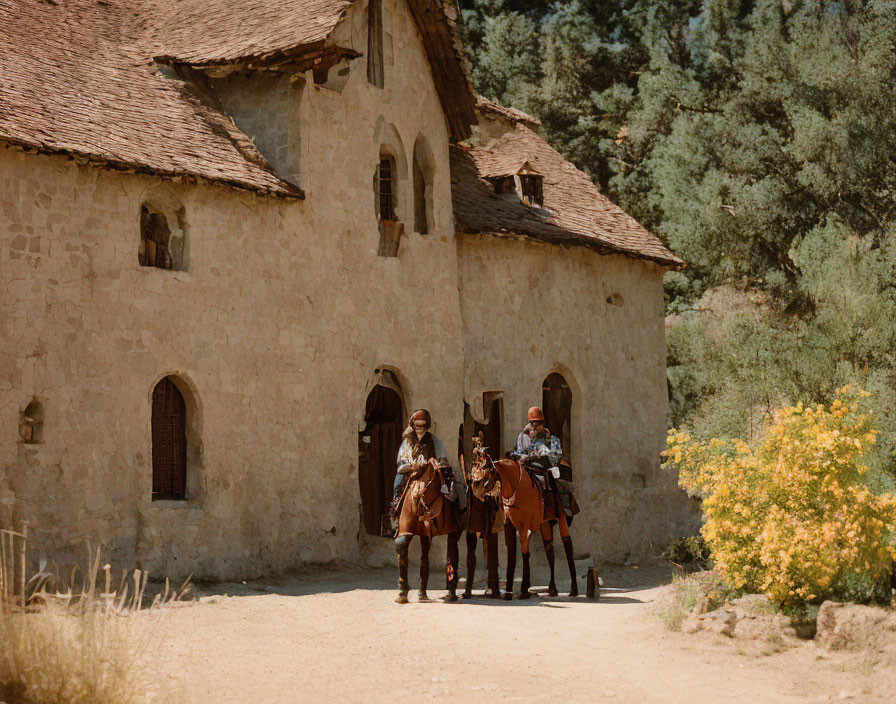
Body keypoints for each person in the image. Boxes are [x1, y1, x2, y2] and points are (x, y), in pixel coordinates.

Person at [392, 409, 464, 602]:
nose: (420, 429)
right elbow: (401, 463)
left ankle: (456, 515)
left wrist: (435, 462)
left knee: (451, 484)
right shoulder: (407, 442)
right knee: (399, 482)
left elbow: (443, 459)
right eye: (417, 425)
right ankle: (395, 510)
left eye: (423, 425)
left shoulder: (435, 441)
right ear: (412, 425)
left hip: (432, 472)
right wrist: (413, 465)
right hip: (413, 473)